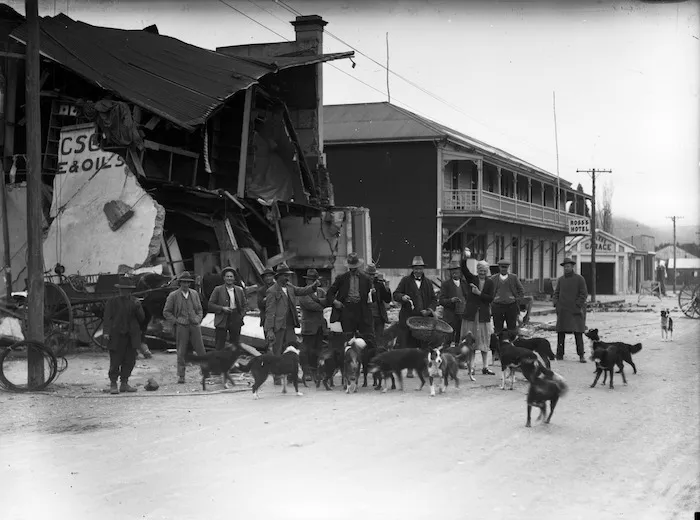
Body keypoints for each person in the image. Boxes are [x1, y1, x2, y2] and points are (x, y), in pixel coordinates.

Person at [264, 263, 319, 383]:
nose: (287, 278)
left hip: (289, 324)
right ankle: (277, 376)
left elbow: (301, 290)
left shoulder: (289, 287)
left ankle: (291, 375)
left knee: (291, 350)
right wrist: (269, 330)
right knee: (277, 351)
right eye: (285, 275)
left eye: (288, 275)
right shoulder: (272, 291)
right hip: (278, 325)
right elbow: (269, 312)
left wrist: (313, 287)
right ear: (278, 276)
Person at [103, 276, 145, 394]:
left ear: (130, 291)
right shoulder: (112, 302)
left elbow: (142, 319)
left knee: (130, 361)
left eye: (127, 290)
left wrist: (138, 308)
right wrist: (106, 332)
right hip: (116, 336)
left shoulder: (135, 302)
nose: (124, 292)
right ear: (119, 290)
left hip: (132, 337)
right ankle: (113, 384)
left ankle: (124, 383)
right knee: (115, 361)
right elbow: (107, 318)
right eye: (122, 289)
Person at [163, 271, 206, 384]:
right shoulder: (173, 296)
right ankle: (181, 375)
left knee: (201, 350)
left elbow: (200, 309)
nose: (186, 285)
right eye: (183, 282)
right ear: (180, 283)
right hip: (182, 326)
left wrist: (198, 319)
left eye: (188, 282)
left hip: (194, 325)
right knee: (181, 351)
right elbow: (166, 312)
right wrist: (176, 321)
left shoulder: (194, 294)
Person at [325, 253, 376, 349]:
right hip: (347, 310)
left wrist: (372, 293)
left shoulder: (366, 279)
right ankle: (348, 357)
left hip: (361, 310)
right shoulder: (342, 278)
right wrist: (335, 302)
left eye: (354, 267)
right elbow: (330, 293)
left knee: (366, 338)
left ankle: (365, 359)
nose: (352, 269)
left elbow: (371, 298)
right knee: (348, 338)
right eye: (351, 267)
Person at [459, 256, 496, 375]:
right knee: (472, 340)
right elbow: (464, 269)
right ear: (477, 270)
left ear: (487, 271)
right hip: (471, 314)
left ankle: (485, 366)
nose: (482, 272)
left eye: (484, 270)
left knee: (484, 340)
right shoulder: (472, 279)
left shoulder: (490, 282)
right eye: (480, 270)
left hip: (483, 315)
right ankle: (472, 366)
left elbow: (490, 298)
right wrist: (465, 258)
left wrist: (479, 293)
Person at [393, 256, 437, 350]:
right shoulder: (405, 281)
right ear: (412, 269)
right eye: (416, 269)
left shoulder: (428, 283)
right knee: (406, 346)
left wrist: (429, 311)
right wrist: (402, 297)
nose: (418, 271)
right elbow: (395, 294)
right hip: (407, 320)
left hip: (423, 322)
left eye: (420, 268)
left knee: (422, 348)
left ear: (423, 269)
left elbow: (434, 300)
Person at [553, 257, 588, 362]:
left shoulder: (579, 279)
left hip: (575, 311)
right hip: (563, 310)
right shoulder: (561, 280)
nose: (566, 268)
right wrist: (556, 304)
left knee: (578, 333)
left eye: (568, 266)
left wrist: (578, 305)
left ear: (572, 267)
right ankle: (559, 355)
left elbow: (584, 293)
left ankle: (581, 355)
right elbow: (556, 293)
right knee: (560, 333)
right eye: (565, 267)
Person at [298, 268, 328, 381]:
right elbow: (310, 305)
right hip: (309, 326)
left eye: (314, 280)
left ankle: (317, 371)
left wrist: (322, 303)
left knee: (318, 349)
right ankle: (307, 372)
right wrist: (322, 305)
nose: (313, 282)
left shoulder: (321, 291)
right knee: (307, 350)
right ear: (307, 281)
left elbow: (328, 300)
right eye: (310, 280)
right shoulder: (303, 292)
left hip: (320, 326)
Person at [208, 266, 247, 350]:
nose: (229, 278)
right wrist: (222, 308)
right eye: (227, 276)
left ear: (234, 278)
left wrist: (241, 315)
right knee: (220, 342)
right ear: (224, 278)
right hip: (222, 318)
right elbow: (210, 304)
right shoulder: (218, 289)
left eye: (231, 276)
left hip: (235, 317)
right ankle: (218, 361)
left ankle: (232, 361)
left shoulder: (239, 290)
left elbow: (245, 305)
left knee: (234, 343)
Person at [490, 258, 524, 336]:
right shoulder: (493, 278)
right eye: (502, 267)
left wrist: (517, 299)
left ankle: (511, 344)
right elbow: (489, 291)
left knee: (512, 327)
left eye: (505, 267)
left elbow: (521, 290)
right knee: (498, 328)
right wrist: (492, 300)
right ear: (499, 267)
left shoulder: (513, 277)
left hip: (511, 306)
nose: (504, 269)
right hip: (497, 306)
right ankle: (498, 345)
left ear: (508, 268)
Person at [438, 261, 467, 347]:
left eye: (456, 270)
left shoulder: (465, 284)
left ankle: (457, 356)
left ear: (460, 271)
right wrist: (451, 300)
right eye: (452, 270)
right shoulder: (446, 285)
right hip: (450, 316)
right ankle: (445, 355)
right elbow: (441, 300)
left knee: (460, 339)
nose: (454, 272)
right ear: (450, 272)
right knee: (448, 339)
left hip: (462, 315)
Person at [365, 263, 392, 340]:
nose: (371, 277)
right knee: (369, 338)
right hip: (367, 317)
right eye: (369, 275)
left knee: (379, 338)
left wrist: (387, 289)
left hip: (379, 316)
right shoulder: (362, 284)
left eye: (373, 275)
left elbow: (387, 300)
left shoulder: (379, 284)